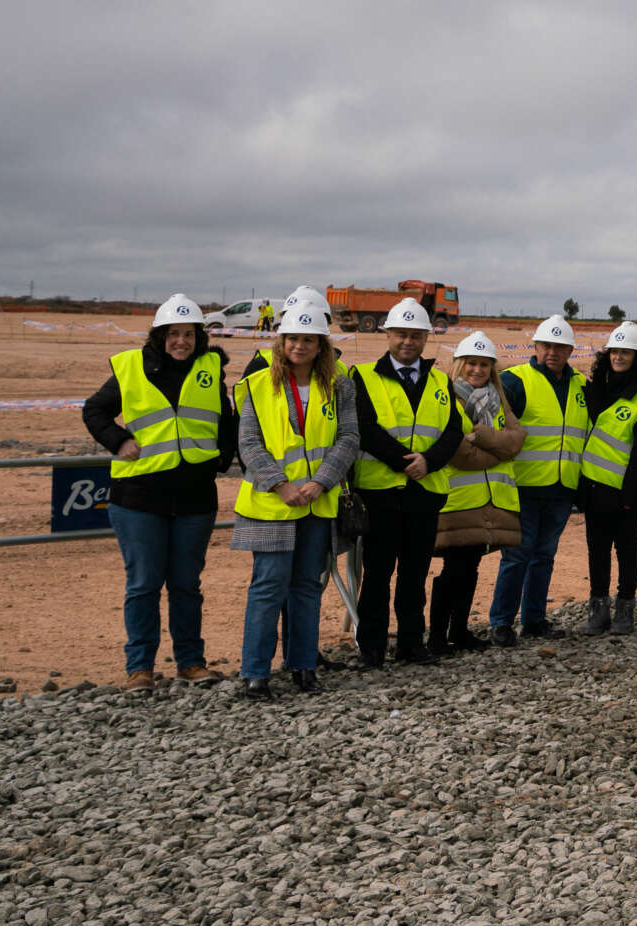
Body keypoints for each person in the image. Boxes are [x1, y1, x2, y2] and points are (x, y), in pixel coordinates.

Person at [82, 294, 236, 687]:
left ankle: (191, 662)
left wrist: (221, 457)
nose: (181, 341)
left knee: (187, 585)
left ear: (199, 337)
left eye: (188, 334)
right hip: (139, 498)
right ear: (159, 335)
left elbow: (225, 419)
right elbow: (94, 410)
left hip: (195, 497)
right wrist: (118, 441)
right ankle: (140, 668)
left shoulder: (210, 367)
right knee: (144, 584)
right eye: (173, 334)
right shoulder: (131, 367)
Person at [231, 302, 358, 699]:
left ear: (321, 345)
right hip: (272, 506)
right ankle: (256, 673)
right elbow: (248, 444)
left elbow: (349, 438)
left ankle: (303, 666)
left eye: (308, 339)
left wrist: (320, 482)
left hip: (317, 504)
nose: (299, 346)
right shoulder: (256, 385)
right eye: (292, 339)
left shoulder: (338, 385)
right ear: (280, 341)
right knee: (268, 587)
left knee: (306, 586)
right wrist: (280, 486)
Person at [350, 298, 471, 668]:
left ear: (425, 338)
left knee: (415, 573)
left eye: (415, 335)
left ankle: (410, 643)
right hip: (381, 491)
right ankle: (371, 647)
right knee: (377, 573)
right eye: (401, 334)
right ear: (388, 335)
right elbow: (364, 428)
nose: (407, 342)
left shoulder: (439, 379)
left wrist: (429, 462)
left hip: (425, 491)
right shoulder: (364, 377)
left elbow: (454, 429)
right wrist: (407, 462)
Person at [488, 315, 586, 645]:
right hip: (524, 487)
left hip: (561, 487)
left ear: (571, 349)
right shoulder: (516, 381)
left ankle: (533, 620)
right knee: (517, 556)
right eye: (546, 346)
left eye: (559, 347)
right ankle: (501, 622)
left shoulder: (579, 386)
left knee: (544, 556)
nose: (552, 352)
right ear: (536, 347)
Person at [430, 331, 526, 654]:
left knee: (470, 569)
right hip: (459, 502)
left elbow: (516, 441)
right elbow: (460, 453)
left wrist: (482, 436)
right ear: (460, 364)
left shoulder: (498, 398)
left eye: (484, 364)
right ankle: (437, 637)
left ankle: (460, 632)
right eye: (472, 363)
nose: (477, 370)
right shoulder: (449, 399)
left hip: (490, 502)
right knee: (452, 571)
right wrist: (500, 446)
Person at [579, 321, 637, 636]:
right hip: (593, 486)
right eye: (614, 350)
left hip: (627, 493)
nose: (618, 356)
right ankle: (598, 611)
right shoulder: (597, 388)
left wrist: (630, 497)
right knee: (597, 550)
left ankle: (625, 612)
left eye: (625, 352)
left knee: (627, 549)